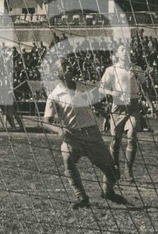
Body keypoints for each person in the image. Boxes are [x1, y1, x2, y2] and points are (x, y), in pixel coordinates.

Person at [43, 62, 130, 210]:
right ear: (58, 73)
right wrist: (58, 131)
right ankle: (82, 197)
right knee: (68, 161)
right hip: (72, 135)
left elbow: (93, 103)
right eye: (65, 66)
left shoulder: (84, 87)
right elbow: (45, 122)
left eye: (70, 64)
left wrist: (104, 115)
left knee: (113, 172)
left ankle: (108, 192)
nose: (70, 67)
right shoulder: (54, 95)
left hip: (92, 134)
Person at [98, 44, 145, 182]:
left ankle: (128, 170)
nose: (125, 52)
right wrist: (112, 92)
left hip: (133, 107)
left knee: (132, 135)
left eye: (127, 49)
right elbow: (101, 89)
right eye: (122, 50)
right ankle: (115, 167)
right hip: (118, 107)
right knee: (115, 140)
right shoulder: (111, 70)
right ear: (117, 54)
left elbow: (143, 84)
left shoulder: (137, 69)